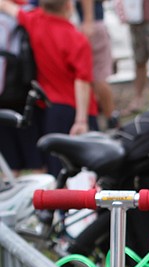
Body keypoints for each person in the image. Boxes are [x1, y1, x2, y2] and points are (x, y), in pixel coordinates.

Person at [0, 0, 98, 177]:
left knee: (57, 167)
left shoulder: (34, 21)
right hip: (77, 109)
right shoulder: (77, 38)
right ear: (69, 6)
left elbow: (6, 6)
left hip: (50, 109)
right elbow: (82, 80)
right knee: (86, 168)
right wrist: (81, 120)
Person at [76, 0, 118, 128]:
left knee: (98, 77)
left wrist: (88, 21)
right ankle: (110, 118)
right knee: (96, 76)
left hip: (91, 25)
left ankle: (111, 118)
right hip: (93, 24)